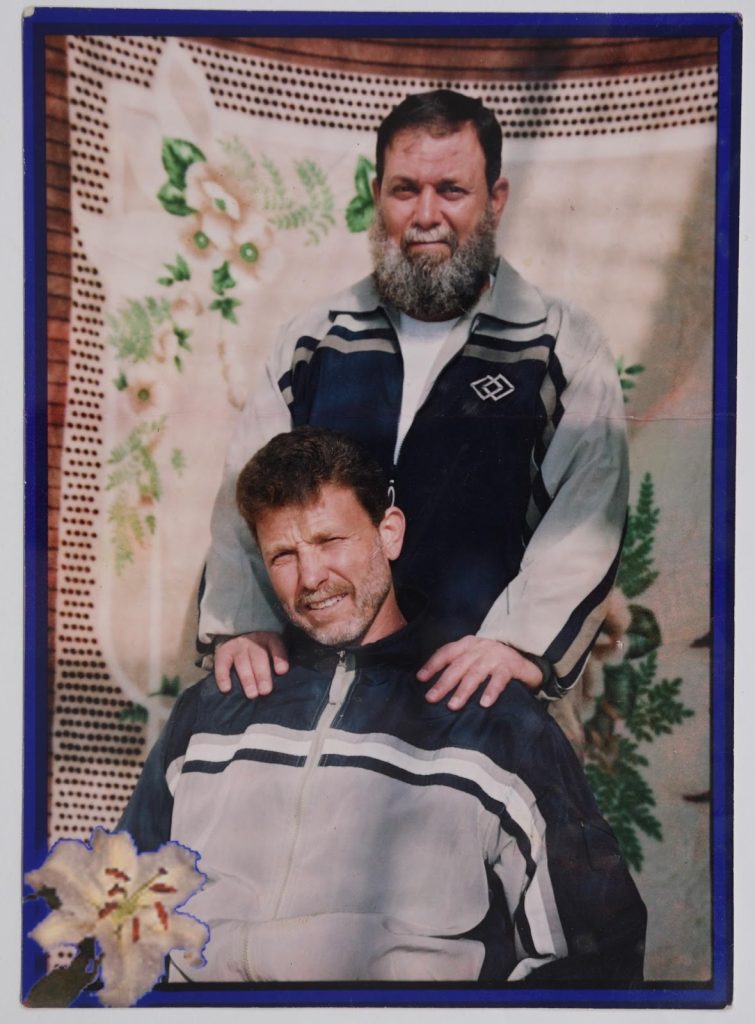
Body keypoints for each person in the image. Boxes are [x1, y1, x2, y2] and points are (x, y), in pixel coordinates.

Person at [122, 428, 645, 984]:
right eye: (283, 555)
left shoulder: (491, 719)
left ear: (388, 533)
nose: (311, 577)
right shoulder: (211, 713)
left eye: (330, 541)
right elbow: (122, 914)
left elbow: (594, 955)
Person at [198, 88, 628, 711]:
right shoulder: (311, 340)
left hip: (476, 700)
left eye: (451, 190)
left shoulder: (562, 344)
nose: (426, 213)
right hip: (315, 695)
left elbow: (590, 509)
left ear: (495, 200)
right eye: (405, 190)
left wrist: (520, 646)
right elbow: (248, 494)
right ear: (379, 197)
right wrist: (243, 622)